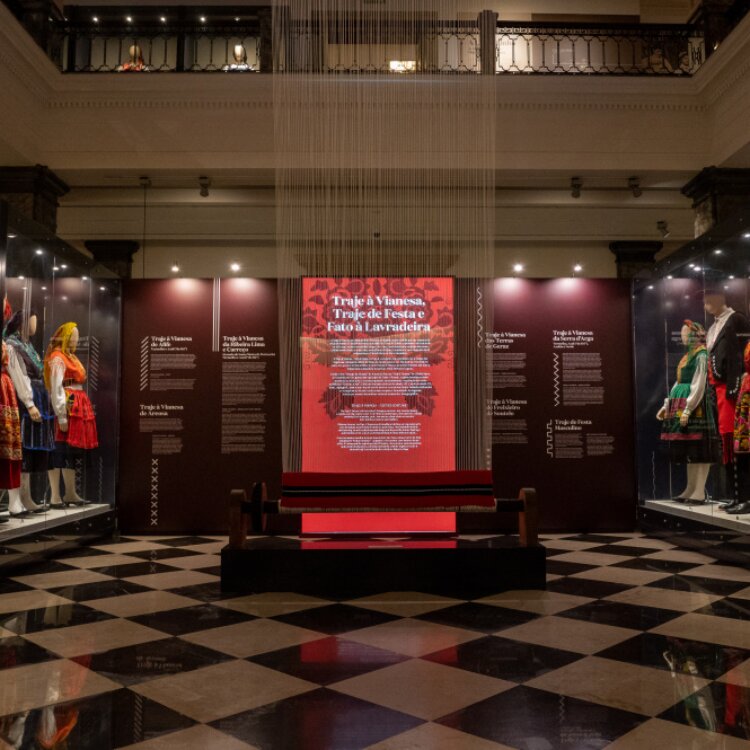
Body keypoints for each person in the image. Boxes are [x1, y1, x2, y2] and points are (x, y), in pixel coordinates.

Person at [657, 320, 715, 502]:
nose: (683, 337)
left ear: (695, 335)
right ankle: (691, 488)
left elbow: (699, 384)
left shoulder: (701, 355)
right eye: (682, 333)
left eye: (686, 333)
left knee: (700, 448)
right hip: (681, 402)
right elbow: (679, 381)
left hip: (696, 404)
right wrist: (666, 405)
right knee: (690, 449)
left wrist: (688, 409)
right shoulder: (686, 356)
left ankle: (699, 490)